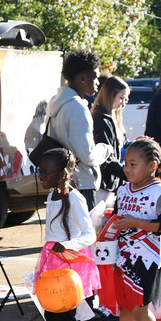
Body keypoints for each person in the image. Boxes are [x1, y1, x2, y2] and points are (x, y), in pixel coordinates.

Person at [27, 148, 107, 321]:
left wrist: (68, 245)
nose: (40, 176)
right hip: (52, 262)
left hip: (69, 265)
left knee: (67, 319)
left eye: (45, 171)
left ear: (62, 172)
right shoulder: (52, 197)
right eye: (38, 170)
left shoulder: (74, 198)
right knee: (52, 316)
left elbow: (89, 234)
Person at [102, 137, 161, 321]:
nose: (127, 169)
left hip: (148, 257)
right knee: (124, 307)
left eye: (133, 164)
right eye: (126, 164)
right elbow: (120, 218)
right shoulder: (123, 189)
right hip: (123, 256)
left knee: (139, 309)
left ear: (152, 166)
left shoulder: (160, 191)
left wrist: (135, 223)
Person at [44, 50, 111, 209]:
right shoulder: (77, 107)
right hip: (81, 184)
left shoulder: (56, 103)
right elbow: (87, 155)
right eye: (94, 78)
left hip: (63, 182)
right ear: (82, 78)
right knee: (85, 233)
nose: (97, 83)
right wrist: (106, 149)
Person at [91, 75, 129, 200]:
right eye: (121, 98)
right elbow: (106, 155)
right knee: (99, 218)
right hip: (103, 182)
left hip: (110, 181)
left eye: (126, 99)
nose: (124, 103)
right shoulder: (101, 119)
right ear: (110, 95)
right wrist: (127, 173)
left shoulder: (110, 117)